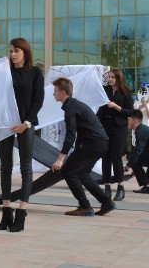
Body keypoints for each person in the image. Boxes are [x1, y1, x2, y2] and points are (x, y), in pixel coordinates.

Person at [0, 38, 44, 232]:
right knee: (5, 168)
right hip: (5, 125)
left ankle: (22, 213)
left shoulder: (35, 73)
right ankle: (6, 211)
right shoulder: (5, 73)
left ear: (25, 51)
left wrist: (26, 123)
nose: (13, 54)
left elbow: (38, 100)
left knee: (26, 167)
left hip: (26, 124)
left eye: (16, 51)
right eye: (11, 51)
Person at [51, 77, 115, 217]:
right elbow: (81, 131)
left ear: (63, 93)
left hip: (93, 143)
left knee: (68, 171)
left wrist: (60, 159)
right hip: (100, 143)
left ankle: (85, 206)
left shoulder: (70, 109)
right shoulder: (75, 105)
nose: (53, 94)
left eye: (55, 91)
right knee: (82, 173)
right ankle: (106, 202)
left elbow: (70, 136)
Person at [97, 69, 133, 201]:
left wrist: (116, 107)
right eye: (109, 77)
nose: (110, 79)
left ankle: (120, 187)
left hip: (119, 128)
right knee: (105, 156)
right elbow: (100, 107)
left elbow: (130, 112)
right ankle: (107, 187)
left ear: (118, 78)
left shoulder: (126, 92)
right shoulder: (105, 90)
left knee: (116, 157)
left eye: (113, 77)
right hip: (105, 126)